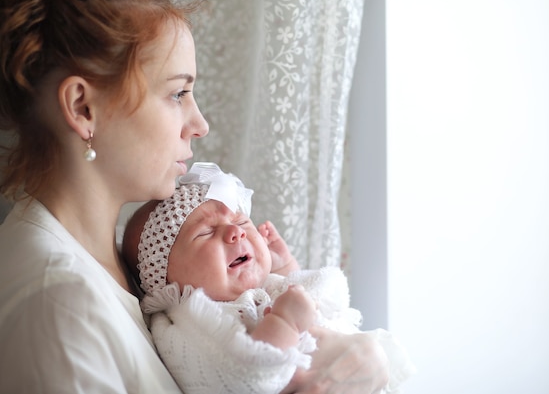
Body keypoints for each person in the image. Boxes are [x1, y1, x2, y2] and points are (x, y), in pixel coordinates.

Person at [0, 0, 390, 393]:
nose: (199, 125)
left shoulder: (124, 261)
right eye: (177, 94)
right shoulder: (58, 306)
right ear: (83, 107)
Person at [122, 162, 416, 394]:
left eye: (240, 221)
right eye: (206, 232)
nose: (235, 232)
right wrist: (285, 323)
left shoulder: (257, 288)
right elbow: (242, 376)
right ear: (163, 281)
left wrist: (285, 266)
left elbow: (315, 301)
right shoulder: (188, 322)